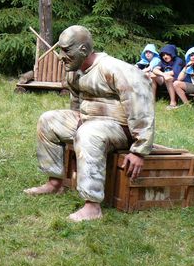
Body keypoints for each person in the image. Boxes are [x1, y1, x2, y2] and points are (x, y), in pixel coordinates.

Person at [24, 25, 155, 222]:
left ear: (83, 50)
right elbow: (77, 102)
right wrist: (78, 119)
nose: (61, 56)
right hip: (90, 122)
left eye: (66, 50)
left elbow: (141, 108)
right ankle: (55, 183)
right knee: (48, 120)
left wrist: (139, 151)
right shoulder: (74, 71)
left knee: (88, 133)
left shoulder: (115, 69)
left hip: (121, 129)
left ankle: (92, 206)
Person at [149, 44, 184, 108]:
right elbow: (155, 69)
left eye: (167, 54)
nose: (165, 57)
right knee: (153, 75)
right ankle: (152, 100)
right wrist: (163, 74)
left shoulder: (178, 60)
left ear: (172, 53)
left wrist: (164, 75)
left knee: (168, 78)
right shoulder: (163, 62)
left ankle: (173, 102)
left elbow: (174, 72)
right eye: (163, 55)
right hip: (165, 79)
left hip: (177, 80)